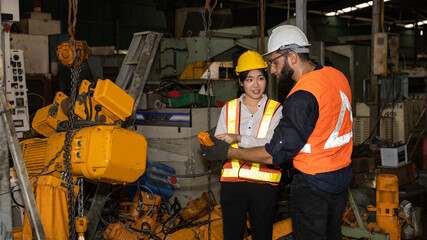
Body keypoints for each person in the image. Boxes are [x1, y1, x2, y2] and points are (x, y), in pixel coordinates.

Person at [201, 25, 353, 240]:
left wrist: (228, 152)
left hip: (313, 184)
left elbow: (274, 153)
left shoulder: (301, 96)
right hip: (340, 177)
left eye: (274, 62)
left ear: (291, 57)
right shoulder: (336, 76)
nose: (272, 69)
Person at [214, 50, 283, 240]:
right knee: (232, 235)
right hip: (232, 185)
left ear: (266, 80)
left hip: (264, 186)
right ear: (240, 81)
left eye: (260, 78)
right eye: (249, 79)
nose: (256, 85)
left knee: (262, 236)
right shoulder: (228, 108)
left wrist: (238, 138)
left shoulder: (276, 109)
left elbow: (272, 144)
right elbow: (219, 143)